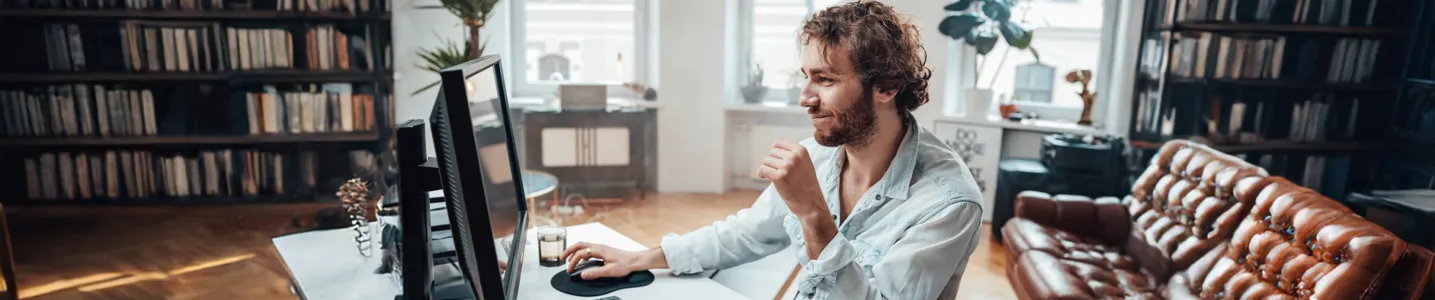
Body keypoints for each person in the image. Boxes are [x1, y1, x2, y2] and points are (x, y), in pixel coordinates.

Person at [562, 1, 983, 299]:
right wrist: (641, 258)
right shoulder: (818, 155)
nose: (805, 97)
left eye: (826, 80)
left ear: (887, 87)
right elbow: (747, 233)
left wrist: (814, 215)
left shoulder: (948, 203)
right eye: (805, 76)